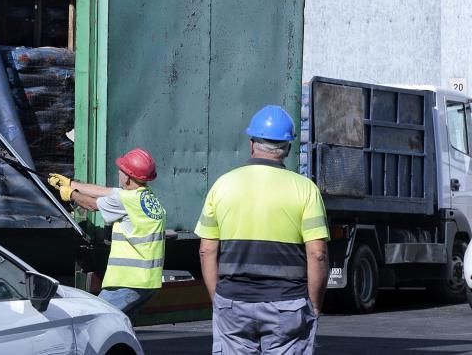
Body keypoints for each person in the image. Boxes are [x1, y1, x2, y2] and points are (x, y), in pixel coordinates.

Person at [195, 105, 329, 354]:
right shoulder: (305, 190)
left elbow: (206, 250)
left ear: (251, 143)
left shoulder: (222, 185)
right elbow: (317, 253)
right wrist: (314, 304)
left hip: (232, 301)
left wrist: (219, 299)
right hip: (287, 303)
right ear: (287, 148)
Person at [48, 148, 166, 318]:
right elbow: (105, 191)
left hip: (127, 281)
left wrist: (71, 194)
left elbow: (92, 204)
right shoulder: (145, 196)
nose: (118, 172)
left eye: (122, 170)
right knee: (119, 327)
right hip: (147, 282)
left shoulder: (126, 200)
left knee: (95, 320)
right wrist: (71, 183)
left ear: (128, 176)